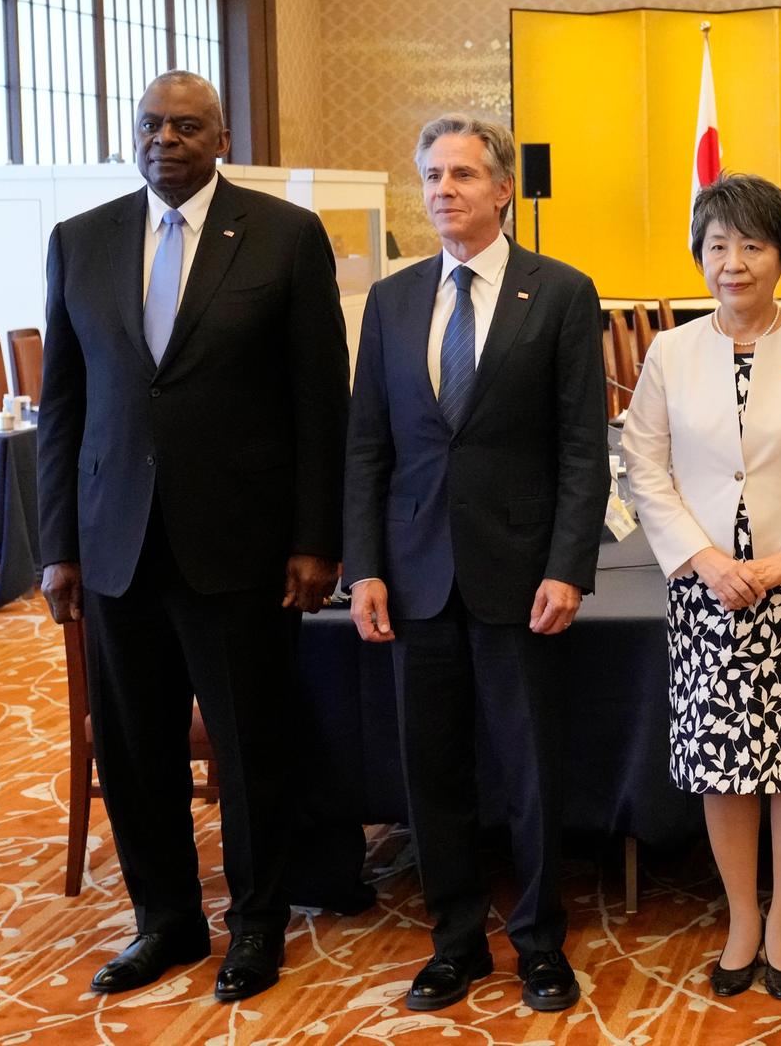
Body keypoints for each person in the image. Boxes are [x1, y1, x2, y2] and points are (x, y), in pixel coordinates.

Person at [37, 71, 349, 1002]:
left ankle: (256, 923)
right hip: (115, 544)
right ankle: (165, 920)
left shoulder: (285, 236)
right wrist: (57, 544)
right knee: (135, 749)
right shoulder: (79, 242)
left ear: (221, 138)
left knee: (253, 743)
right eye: (149, 125)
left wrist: (316, 538)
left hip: (244, 547)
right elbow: (63, 405)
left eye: (185, 126)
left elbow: (316, 402)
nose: (163, 139)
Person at [342, 114, 608, 1014]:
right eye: (430, 175)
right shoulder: (394, 299)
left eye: (461, 174)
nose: (442, 190)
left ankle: (539, 943)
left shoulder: (563, 293)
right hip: (415, 577)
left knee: (532, 768)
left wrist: (570, 565)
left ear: (502, 189)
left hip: (522, 574)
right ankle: (454, 941)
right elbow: (367, 446)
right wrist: (365, 565)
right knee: (434, 771)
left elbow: (583, 448)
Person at [619, 175, 781, 1001]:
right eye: (718, 245)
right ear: (700, 256)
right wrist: (703, 559)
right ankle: (738, 914)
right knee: (724, 763)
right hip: (705, 589)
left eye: (752, 245)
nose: (734, 262)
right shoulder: (670, 352)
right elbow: (644, 470)